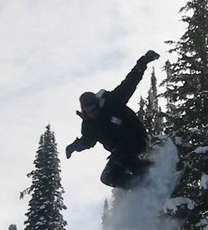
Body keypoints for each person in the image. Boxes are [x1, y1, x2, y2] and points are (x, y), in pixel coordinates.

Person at [65, 50, 160, 189]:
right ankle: (139, 187)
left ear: (98, 103)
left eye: (95, 107)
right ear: (84, 110)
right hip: (120, 152)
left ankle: (152, 172)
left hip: (136, 138)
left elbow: (130, 82)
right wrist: (74, 146)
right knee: (107, 178)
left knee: (119, 156)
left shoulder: (113, 102)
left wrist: (143, 62)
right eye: (89, 109)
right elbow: (87, 141)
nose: (94, 111)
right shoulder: (90, 125)